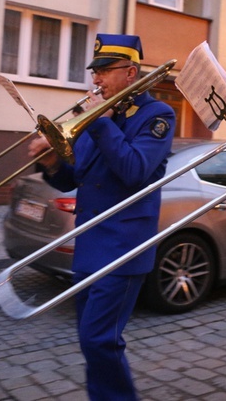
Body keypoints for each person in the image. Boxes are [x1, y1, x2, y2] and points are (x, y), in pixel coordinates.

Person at [28, 34, 175, 401]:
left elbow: (134, 171)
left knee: (99, 340)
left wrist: (101, 122)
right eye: (95, 71)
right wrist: (48, 160)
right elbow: (71, 178)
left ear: (131, 72)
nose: (97, 80)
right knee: (91, 340)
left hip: (124, 248)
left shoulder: (156, 115)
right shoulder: (98, 117)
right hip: (90, 242)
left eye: (105, 71)